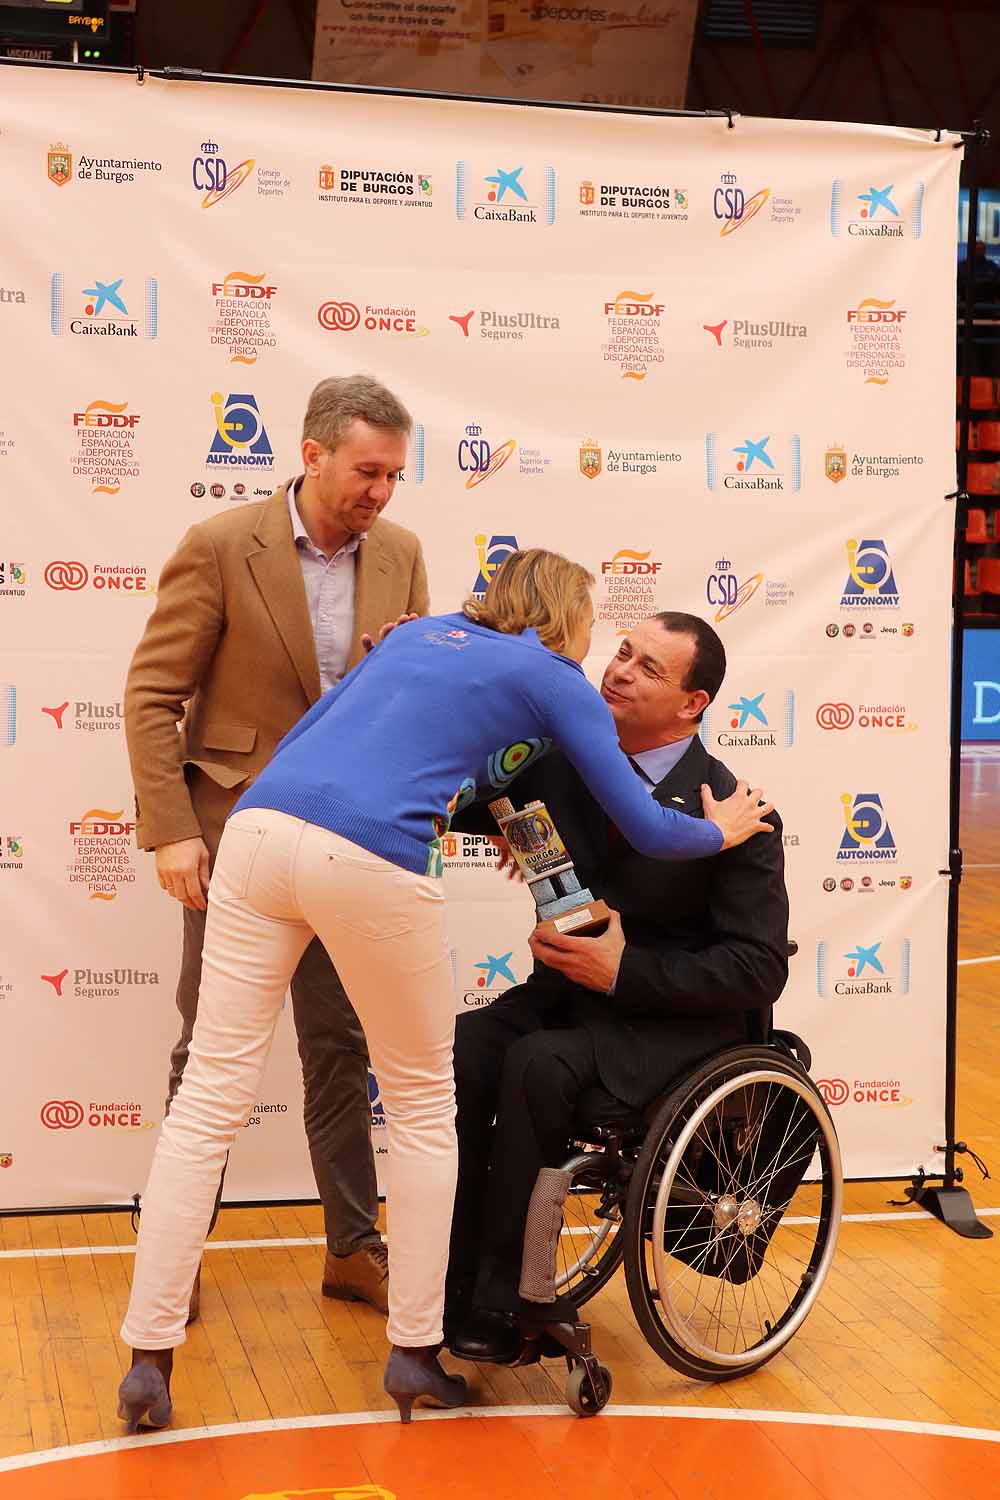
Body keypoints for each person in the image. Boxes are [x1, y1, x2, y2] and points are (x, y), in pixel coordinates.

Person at [116, 553, 774, 1430]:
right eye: (609, 644)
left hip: (261, 827)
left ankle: (148, 1360)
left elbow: (338, 734)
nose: (609, 666)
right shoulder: (552, 679)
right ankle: (416, 1351)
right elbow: (652, 829)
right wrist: (717, 827)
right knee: (425, 1105)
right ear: (570, 622)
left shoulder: (419, 635)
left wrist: (494, 808)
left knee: (205, 1104)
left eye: (643, 665)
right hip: (368, 854)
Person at [123, 375, 429, 1322]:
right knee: (208, 1058)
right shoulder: (220, 546)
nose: (380, 492)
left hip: (351, 847)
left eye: (393, 476)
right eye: (366, 471)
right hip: (231, 847)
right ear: (313, 454)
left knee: (339, 1049)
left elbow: (406, 701)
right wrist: (173, 830)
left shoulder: (404, 554)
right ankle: (174, 1259)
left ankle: (351, 1248)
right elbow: (151, 698)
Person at [444, 611, 790, 1363]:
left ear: (693, 704)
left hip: (670, 1025)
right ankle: (448, 1287)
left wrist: (625, 970)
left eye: (648, 669)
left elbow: (759, 968)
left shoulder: (733, 811)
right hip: (564, 998)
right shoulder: (557, 763)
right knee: (466, 1047)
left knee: (540, 1065)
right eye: (622, 653)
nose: (619, 671)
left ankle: (509, 1303)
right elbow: (449, 790)